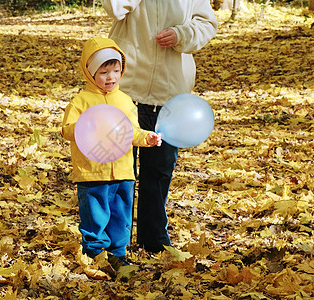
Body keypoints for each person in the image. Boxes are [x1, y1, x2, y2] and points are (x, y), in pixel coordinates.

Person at [101, 0, 219, 253]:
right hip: (126, 91)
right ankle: (115, 244)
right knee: (119, 172)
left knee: (159, 172)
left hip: (169, 95)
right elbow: (115, 7)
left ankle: (153, 240)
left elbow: (207, 23)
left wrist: (181, 34)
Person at [61, 37, 162, 264]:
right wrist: (86, 125)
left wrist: (147, 138)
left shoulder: (125, 101)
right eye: (104, 72)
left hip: (123, 172)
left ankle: (118, 254)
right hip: (93, 171)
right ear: (90, 73)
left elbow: (131, 132)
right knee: (95, 216)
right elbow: (67, 130)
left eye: (116, 71)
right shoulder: (81, 101)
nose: (111, 77)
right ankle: (95, 253)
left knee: (120, 215)